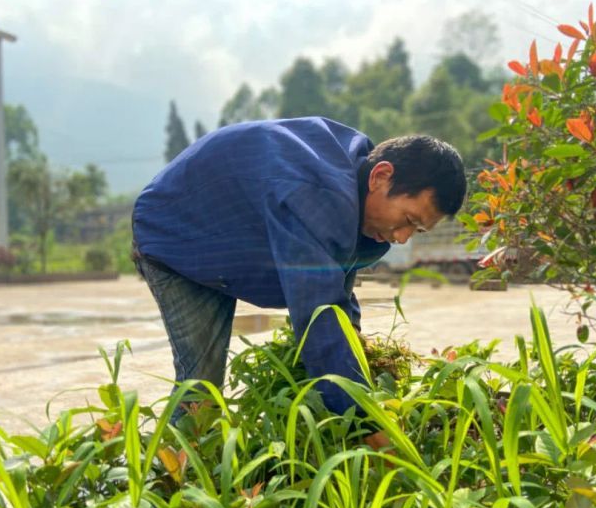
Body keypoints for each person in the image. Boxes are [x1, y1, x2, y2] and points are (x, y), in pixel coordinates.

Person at [132, 116, 466, 453]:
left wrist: (357, 351)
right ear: (381, 176)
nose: (403, 238)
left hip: (232, 230)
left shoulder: (359, 193)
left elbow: (336, 293)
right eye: (408, 220)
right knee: (201, 384)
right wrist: (370, 428)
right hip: (176, 232)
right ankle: (168, 485)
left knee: (336, 353)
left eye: (418, 230)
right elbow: (318, 319)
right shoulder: (314, 196)